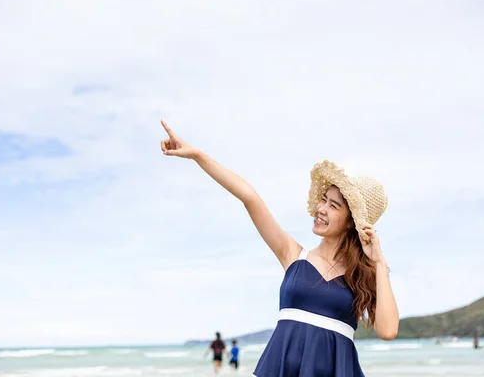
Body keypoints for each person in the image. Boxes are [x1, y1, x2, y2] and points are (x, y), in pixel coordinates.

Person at [160, 120, 399, 376]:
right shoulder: (294, 256)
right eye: (323, 200)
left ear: (352, 221)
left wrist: (379, 262)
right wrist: (197, 155)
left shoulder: (362, 274)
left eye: (333, 205)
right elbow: (249, 196)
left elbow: (387, 331)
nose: (320, 209)